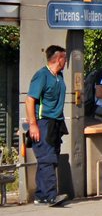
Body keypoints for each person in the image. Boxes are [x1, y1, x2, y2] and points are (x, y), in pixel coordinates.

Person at [26, 45, 69, 206]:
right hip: (43, 122)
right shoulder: (42, 75)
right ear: (59, 59)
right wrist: (33, 125)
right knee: (47, 158)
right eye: (65, 58)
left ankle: (41, 195)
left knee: (52, 158)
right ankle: (51, 196)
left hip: (56, 122)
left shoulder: (60, 76)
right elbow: (30, 100)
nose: (66, 61)